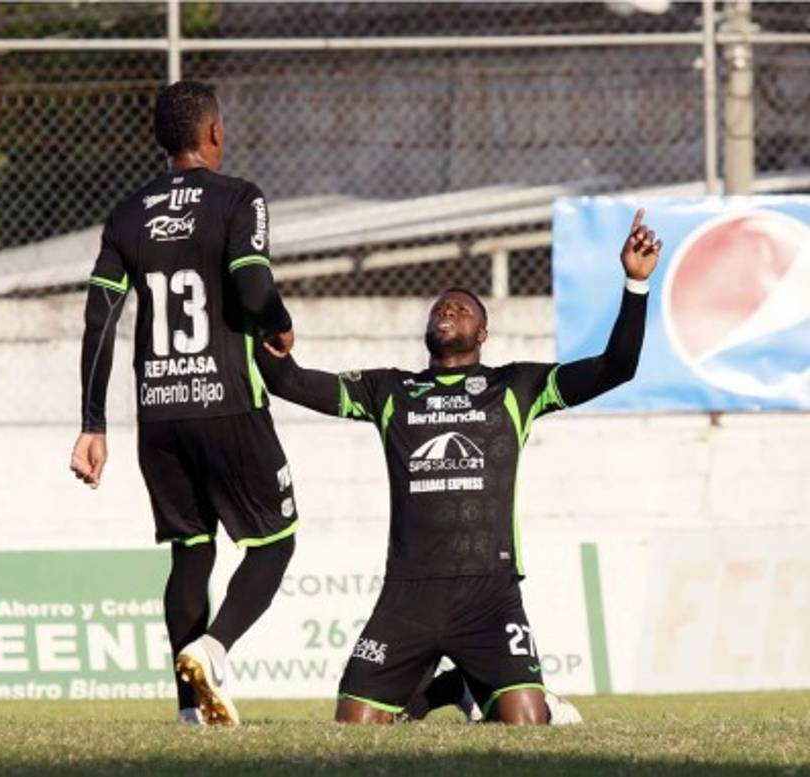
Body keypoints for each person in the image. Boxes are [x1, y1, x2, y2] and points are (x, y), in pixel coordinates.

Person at [256, 209, 661, 725]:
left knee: (526, 728)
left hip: (489, 593)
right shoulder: (388, 390)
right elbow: (289, 382)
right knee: (352, 731)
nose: (448, 308)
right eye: (441, 307)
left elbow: (616, 367)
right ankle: (456, 687)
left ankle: (472, 685)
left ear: (484, 334)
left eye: (463, 308)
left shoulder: (517, 386)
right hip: (408, 593)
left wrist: (634, 283)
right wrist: (263, 325)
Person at [70, 80, 298, 726]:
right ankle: (214, 649)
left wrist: (93, 423)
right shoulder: (239, 199)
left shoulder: (126, 211)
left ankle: (187, 712)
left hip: (159, 412)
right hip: (227, 402)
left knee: (191, 552)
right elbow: (254, 288)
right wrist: (279, 324)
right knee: (276, 541)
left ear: (159, 141)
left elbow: (100, 317)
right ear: (215, 134)